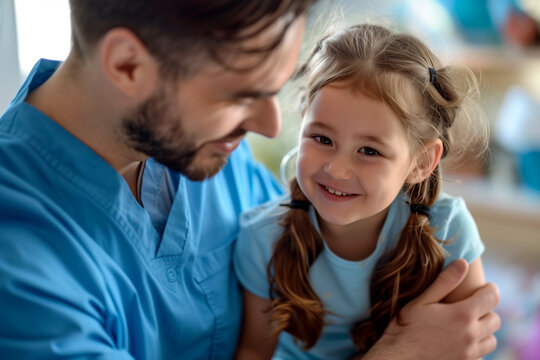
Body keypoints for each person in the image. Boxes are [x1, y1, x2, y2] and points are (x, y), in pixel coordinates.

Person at [0, 1, 499, 359]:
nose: (270, 127)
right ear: (127, 65)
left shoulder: (204, 150)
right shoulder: (20, 272)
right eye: (239, 94)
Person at [234, 23, 495, 360]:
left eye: (370, 151)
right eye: (322, 139)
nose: (337, 170)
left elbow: (466, 346)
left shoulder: (449, 231)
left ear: (420, 163)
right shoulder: (261, 238)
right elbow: (254, 352)